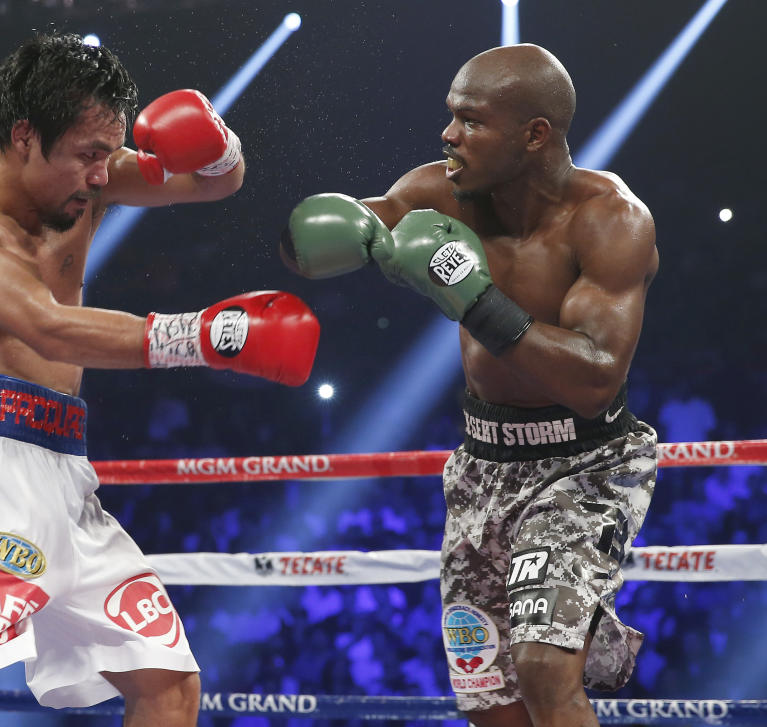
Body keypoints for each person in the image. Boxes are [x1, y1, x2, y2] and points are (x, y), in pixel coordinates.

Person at [0, 33, 319, 727]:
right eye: (88, 154)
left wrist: (217, 142)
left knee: (167, 687)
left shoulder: (85, 179)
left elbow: (218, 180)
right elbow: (44, 326)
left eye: (109, 154)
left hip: (65, 474)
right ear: (25, 136)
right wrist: (206, 336)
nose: (105, 175)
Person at [281, 44, 658, 727]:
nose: (448, 134)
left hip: (583, 464)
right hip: (481, 467)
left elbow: (596, 381)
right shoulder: (433, 192)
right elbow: (312, 244)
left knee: (544, 667)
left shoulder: (609, 218)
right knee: (488, 697)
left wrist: (473, 299)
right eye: (449, 117)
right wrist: (303, 234)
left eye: (469, 121)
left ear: (533, 134)